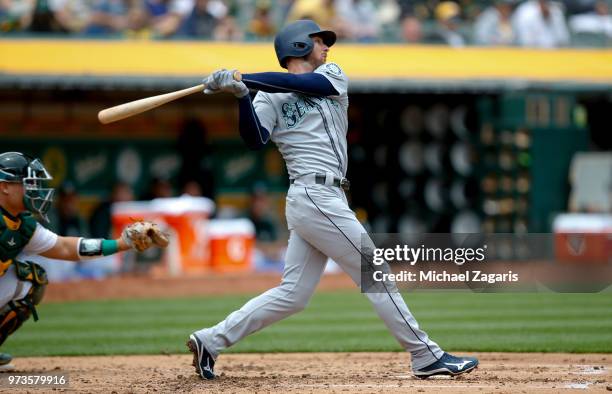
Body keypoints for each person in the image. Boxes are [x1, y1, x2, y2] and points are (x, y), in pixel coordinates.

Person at [187, 19, 478, 380]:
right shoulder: (266, 96)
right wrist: (241, 96)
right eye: (318, 40)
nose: (326, 47)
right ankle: (425, 356)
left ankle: (210, 340)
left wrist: (242, 77)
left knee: (293, 295)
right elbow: (254, 139)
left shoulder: (332, 75)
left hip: (326, 194)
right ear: (296, 45)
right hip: (311, 193)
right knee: (375, 273)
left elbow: (302, 84)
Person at [0, 152, 168, 369]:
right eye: (28, 183)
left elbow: (65, 247)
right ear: (4, 186)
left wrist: (122, 243)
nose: (35, 189)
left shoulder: (22, 224)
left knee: (30, 280)